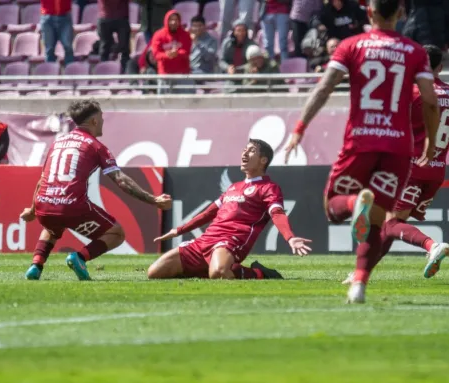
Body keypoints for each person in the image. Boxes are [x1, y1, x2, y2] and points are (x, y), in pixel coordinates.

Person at [284, 0, 440, 304]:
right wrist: (431, 144)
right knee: (378, 220)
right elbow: (431, 101)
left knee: (332, 207)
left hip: (361, 140)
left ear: (369, 12)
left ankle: (356, 204)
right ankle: (359, 285)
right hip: (398, 145)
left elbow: (324, 87)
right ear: (400, 13)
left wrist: (299, 128)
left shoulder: (351, 45)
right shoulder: (415, 52)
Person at [342, 45, 449, 283]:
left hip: (410, 167)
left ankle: (432, 245)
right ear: (441, 67)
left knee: (389, 221)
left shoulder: (412, 93)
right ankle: (360, 274)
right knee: (391, 225)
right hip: (436, 171)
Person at [20, 99, 172, 281]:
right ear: (93, 121)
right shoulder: (96, 146)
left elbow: (42, 181)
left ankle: (36, 265)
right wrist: (153, 200)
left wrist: (32, 210)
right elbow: (120, 180)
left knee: (52, 227)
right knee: (116, 233)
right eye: (101, 117)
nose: (102, 121)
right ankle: (80, 257)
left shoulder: (57, 143)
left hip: (44, 205)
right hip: (71, 206)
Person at [148, 139, 312, 280]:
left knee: (219, 273)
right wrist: (179, 230)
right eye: (244, 150)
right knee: (154, 272)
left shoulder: (269, 187)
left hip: (230, 241)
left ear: (263, 160)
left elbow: (277, 213)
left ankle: (259, 273)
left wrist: (290, 238)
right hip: (204, 241)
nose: (244, 154)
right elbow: (209, 213)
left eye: (251, 151)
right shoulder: (234, 187)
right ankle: (212, 267)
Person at [151, 10, 192, 93]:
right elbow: (156, 54)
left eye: (176, 20)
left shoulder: (185, 35)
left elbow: (186, 51)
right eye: (171, 20)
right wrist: (167, 55)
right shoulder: (158, 35)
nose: (173, 22)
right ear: (166, 21)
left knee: (185, 103)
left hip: (182, 75)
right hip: (165, 75)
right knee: (165, 104)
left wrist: (176, 54)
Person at [97, 0, 131, 71]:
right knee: (104, 48)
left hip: (121, 16)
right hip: (105, 16)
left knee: (124, 48)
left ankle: (126, 72)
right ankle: (103, 72)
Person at [40, 0, 75, 66]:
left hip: (64, 15)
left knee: (68, 47)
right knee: (49, 49)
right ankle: (50, 73)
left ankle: (71, 73)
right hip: (47, 16)